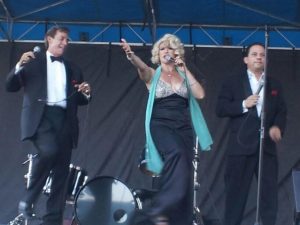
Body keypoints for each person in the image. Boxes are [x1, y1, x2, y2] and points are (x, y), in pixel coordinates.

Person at [121, 34, 212, 225]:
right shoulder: (153, 74)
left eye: (170, 48)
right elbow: (141, 67)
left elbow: (200, 94)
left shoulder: (183, 74)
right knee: (177, 153)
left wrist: (184, 69)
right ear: (157, 53)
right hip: (160, 123)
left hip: (184, 127)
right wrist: (131, 56)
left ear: (176, 52)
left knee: (185, 172)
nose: (166, 52)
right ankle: (160, 208)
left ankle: (176, 218)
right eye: (162, 48)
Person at [5, 26, 91, 225]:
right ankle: (28, 200)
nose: (65, 43)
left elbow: (81, 99)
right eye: (61, 38)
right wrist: (19, 65)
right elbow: (11, 86)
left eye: (67, 40)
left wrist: (86, 92)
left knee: (62, 171)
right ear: (49, 39)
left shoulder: (73, 68)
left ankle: (52, 220)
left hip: (65, 119)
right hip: (41, 117)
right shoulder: (33, 62)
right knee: (49, 151)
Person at [216, 43, 287, 225]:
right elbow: (220, 108)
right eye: (254, 54)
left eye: (262, 55)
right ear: (245, 59)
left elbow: (281, 110)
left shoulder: (274, 84)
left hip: (266, 148)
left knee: (269, 194)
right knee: (236, 195)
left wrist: (277, 127)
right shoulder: (233, 81)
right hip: (240, 147)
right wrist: (243, 104)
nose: (258, 58)